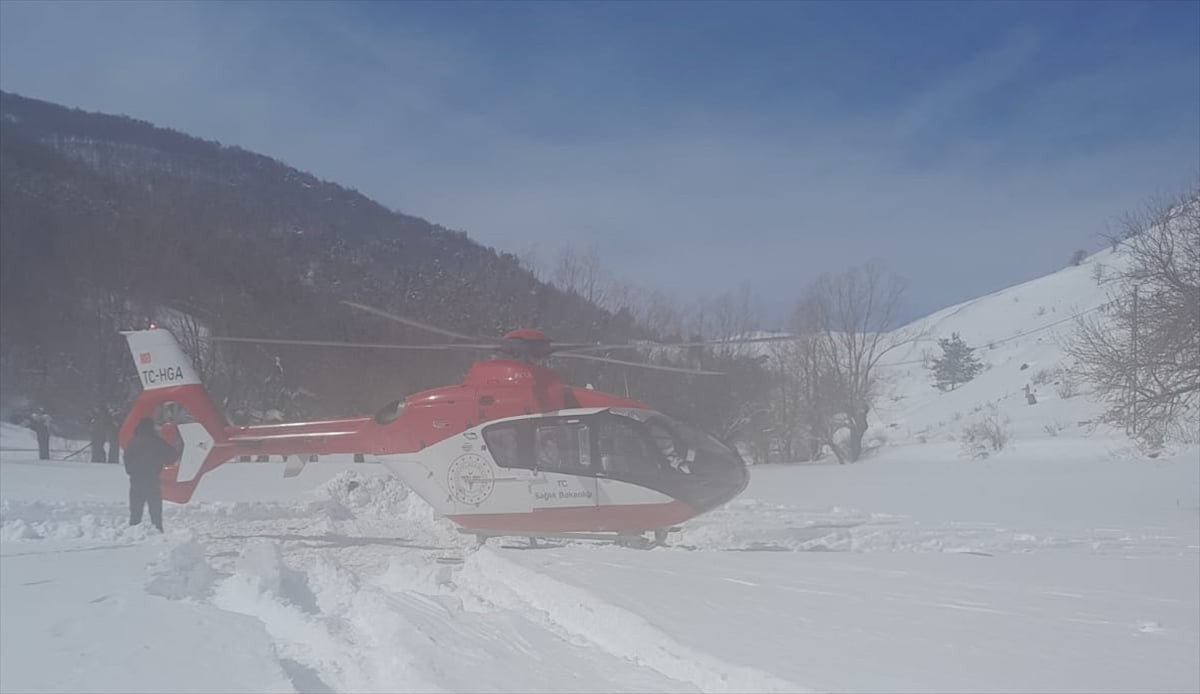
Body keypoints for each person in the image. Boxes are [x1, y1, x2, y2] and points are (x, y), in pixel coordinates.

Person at [123, 418, 177, 532]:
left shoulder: (133, 441)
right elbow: (172, 456)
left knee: (136, 508)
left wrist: (130, 470)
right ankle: (157, 528)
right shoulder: (157, 441)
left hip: (136, 478)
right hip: (152, 478)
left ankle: (134, 529)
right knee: (155, 507)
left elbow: (126, 457)